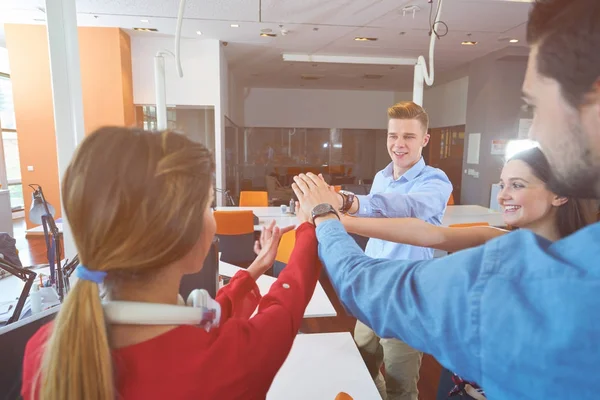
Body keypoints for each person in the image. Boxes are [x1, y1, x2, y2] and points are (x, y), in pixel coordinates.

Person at [291, 0, 600, 398]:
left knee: (401, 378)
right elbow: (431, 237)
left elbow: (405, 228)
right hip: (387, 286)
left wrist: (328, 215)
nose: (536, 126)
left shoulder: (500, 268)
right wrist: (341, 211)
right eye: (392, 136)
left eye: (536, 105)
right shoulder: (500, 240)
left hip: (390, 286)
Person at [21, 127, 320, 400]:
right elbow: (285, 304)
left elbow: (208, 316)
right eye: (208, 206)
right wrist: (310, 225)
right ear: (179, 237)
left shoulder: (46, 349)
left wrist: (255, 269)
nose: (212, 216)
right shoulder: (226, 364)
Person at [340, 147, 596, 399]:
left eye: (517, 185)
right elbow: (431, 235)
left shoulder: (578, 268)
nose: (502, 195)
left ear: (560, 195)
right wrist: (339, 221)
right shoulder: (499, 240)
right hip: (459, 388)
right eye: (502, 184)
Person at [333, 101, 453, 400]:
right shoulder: (382, 177)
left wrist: (352, 202)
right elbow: (371, 220)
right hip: (372, 290)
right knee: (360, 368)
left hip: (406, 300)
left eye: (409, 137)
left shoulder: (435, 181)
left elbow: (408, 206)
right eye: (393, 136)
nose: (399, 144)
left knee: (401, 388)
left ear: (424, 140)